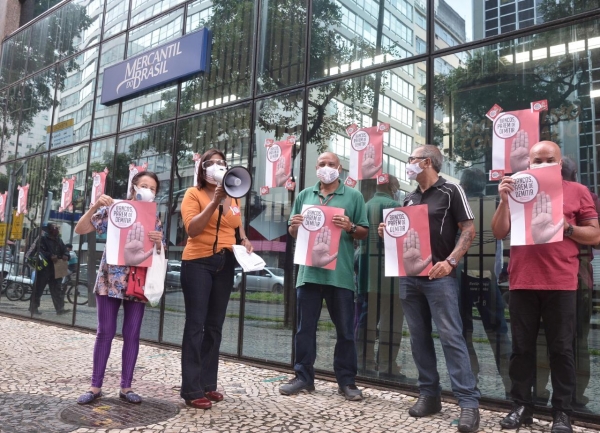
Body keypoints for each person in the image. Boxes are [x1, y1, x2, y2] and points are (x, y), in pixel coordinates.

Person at [491, 141, 600, 433]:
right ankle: (522, 405)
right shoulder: (517, 188)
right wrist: (503, 200)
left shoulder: (578, 192)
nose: (542, 163)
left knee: (562, 350)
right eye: (536, 159)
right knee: (521, 349)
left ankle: (562, 412)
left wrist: (564, 226)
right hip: (522, 280)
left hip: (561, 281)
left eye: (548, 159)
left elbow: (595, 235)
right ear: (528, 163)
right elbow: (499, 231)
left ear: (560, 162)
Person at [378, 145, 480, 433]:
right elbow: (405, 234)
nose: (408, 164)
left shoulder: (452, 190)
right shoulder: (408, 198)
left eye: (411, 159)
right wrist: (388, 232)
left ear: (426, 162)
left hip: (440, 278)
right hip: (409, 277)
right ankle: (429, 394)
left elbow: (468, 229)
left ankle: (468, 403)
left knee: (451, 337)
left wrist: (450, 262)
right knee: (419, 337)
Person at [279, 152, 369, 401]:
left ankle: (347, 382)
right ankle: (303, 377)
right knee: (304, 330)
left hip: (339, 276)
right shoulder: (304, 195)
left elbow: (363, 232)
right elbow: (293, 231)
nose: (326, 168)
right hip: (308, 274)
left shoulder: (354, 196)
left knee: (345, 332)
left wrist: (350, 226)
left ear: (340, 168)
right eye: (321, 164)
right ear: (316, 168)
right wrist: (294, 225)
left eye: (331, 164)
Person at [74, 171, 164, 405]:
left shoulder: (154, 218)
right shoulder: (114, 209)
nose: (148, 190)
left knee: (132, 334)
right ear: (133, 187)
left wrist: (158, 242)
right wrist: (95, 205)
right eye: (144, 185)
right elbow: (80, 229)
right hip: (109, 279)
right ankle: (95, 387)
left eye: (153, 188)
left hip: (137, 280)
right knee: (105, 331)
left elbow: (159, 253)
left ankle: (127, 387)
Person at [179, 149, 253, 410]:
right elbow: (192, 228)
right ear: (202, 169)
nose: (218, 167)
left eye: (222, 163)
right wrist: (214, 202)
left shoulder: (235, 196)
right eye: (211, 163)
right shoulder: (193, 194)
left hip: (226, 262)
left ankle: (208, 384)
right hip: (197, 262)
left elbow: (236, 225)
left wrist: (244, 239)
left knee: (214, 327)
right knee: (195, 325)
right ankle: (191, 389)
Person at [458, 168, 512, 397]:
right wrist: (505, 273)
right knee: (498, 333)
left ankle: (471, 381)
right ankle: (512, 386)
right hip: (487, 276)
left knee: (463, 332)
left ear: (463, 185)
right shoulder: (494, 205)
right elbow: (505, 241)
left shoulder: (459, 208)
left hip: (460, 276)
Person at [356, 175, 405, 378]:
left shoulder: (365, 206)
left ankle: (363, 360)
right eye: (397, 186)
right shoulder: (394, 206)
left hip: (367, 272)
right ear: (391, 186)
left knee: (367, 318)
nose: (398, 189)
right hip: (390, 274)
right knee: (391, 320)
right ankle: (387, 365)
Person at [29, 223, 70, 316]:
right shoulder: (43, 239)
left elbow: (65, 250)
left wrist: (66, 255)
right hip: (45, 267)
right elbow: (40, 251)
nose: (57, 230)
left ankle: (60, 309)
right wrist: (50, 256)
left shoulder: (59, 240)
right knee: (38, 288)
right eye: (55, 228)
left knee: (57, 289)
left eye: (57, 228)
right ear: (50, 230)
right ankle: (33, 307)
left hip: (57, 266)